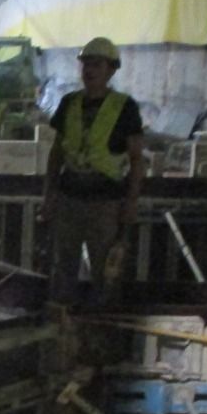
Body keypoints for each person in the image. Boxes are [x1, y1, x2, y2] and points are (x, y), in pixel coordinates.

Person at [42, 35, 145, 301]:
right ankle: (62, 323)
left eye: (97, 64)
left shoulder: (124, 107)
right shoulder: (69, 103)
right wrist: (49, 194)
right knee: (63, 267)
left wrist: (131, 203)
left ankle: (102, 325)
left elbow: (136, 159)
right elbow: (57, 153)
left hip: (105, 203)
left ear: (111, 69)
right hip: (70, 198)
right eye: (86, 63)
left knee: (105, 268)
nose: (89, 70)